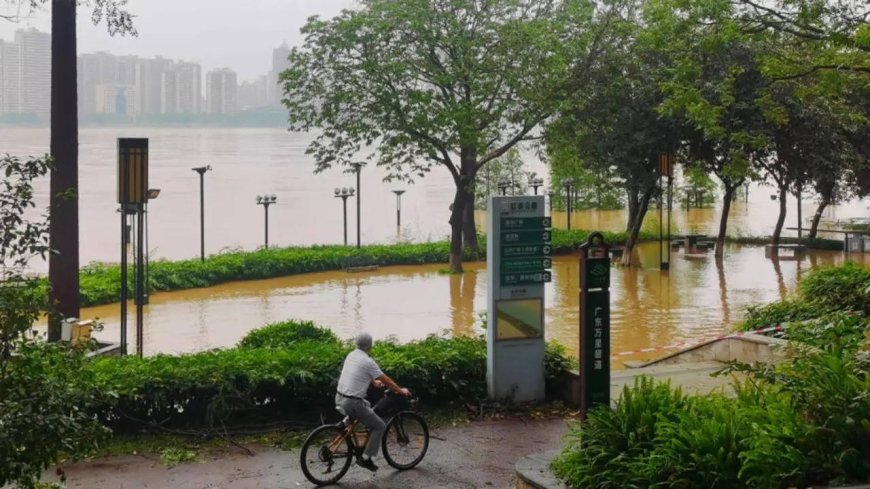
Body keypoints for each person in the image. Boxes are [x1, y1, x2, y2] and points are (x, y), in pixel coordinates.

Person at [335, 332, 411, 472]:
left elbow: (360, 372)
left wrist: (373, 382)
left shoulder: (351, 355)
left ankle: (344, 423)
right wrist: (400, 391)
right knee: (380, 426)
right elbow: (386, 380)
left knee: (367, 406)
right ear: (370, 346)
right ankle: (365, 458)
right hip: (352, 403)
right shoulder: (368, 361)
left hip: (339, 398)